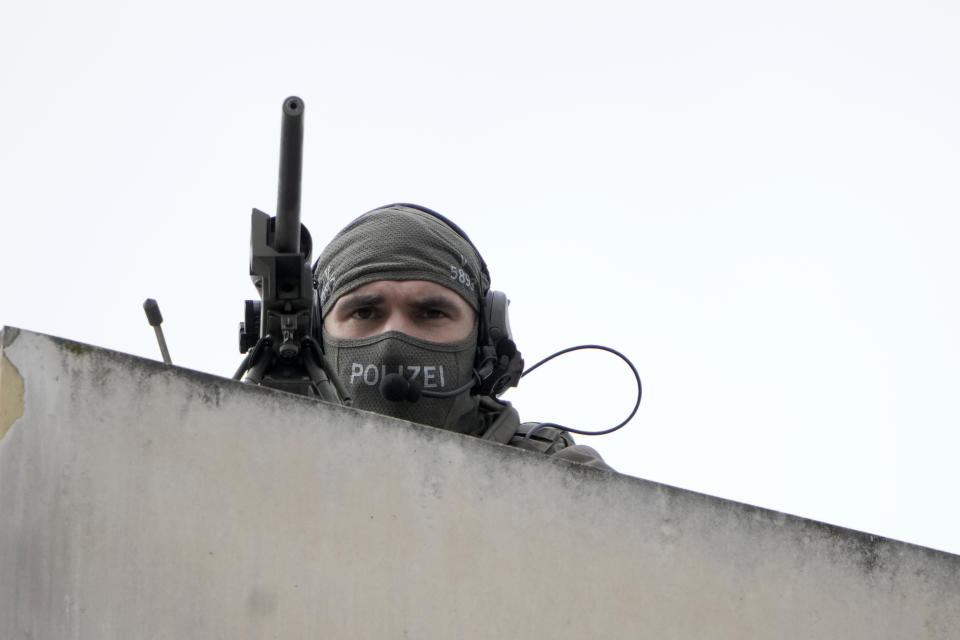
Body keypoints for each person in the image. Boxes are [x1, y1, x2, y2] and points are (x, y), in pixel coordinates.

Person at [313, 203, 612, 471]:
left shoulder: (562, 479)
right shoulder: (268, 456)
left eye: (431, 313)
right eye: (364, 313)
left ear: (484, 341)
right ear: (315, 335)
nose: (395, 337)